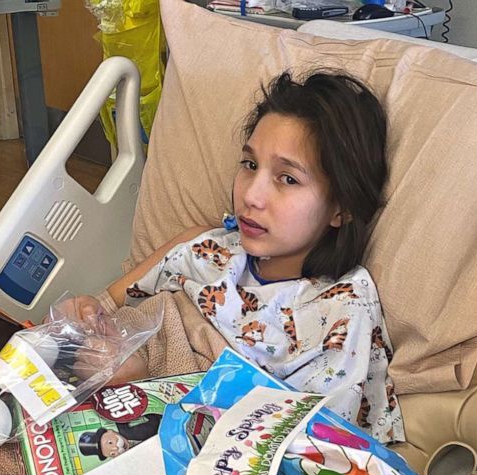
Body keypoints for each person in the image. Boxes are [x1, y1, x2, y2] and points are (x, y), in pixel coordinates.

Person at [57, 71, 402, 443]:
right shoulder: (201, 245)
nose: (251, 196)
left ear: (341, 208)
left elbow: (300, 451)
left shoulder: (342, 313)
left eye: (288, 179)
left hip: (157, 439)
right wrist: (79, 317)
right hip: (81, 393)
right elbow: (100, 307)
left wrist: (143, 388)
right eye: (250, 165)